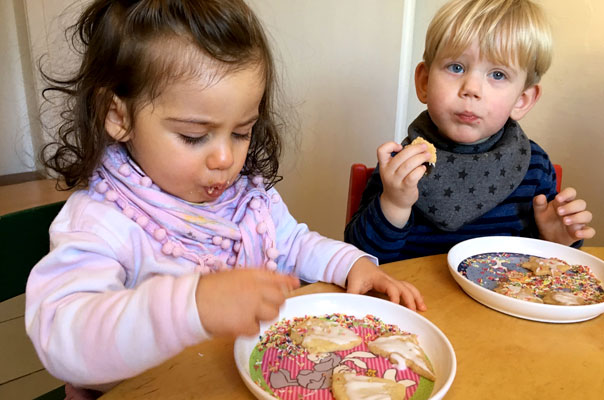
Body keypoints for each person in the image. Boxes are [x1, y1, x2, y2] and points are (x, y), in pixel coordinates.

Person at [25, 0, 425, 396]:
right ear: (118, 116)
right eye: (194, 136)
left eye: (241, 133)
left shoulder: (248, 199)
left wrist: (351, 263)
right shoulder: (101, 220)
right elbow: (62, 340)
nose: (225, 158)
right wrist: (190, 305)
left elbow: (293, 243)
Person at [345, 0, 595, 263]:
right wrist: (394, 204)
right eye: (457, 67)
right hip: (416, 301)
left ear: (522, 100)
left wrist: (554, 241)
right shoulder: (401, 166)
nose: (472, 88)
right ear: (424, 82)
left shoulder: (534, 168)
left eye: (497, 75)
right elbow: (360, 259)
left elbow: (539, 269)